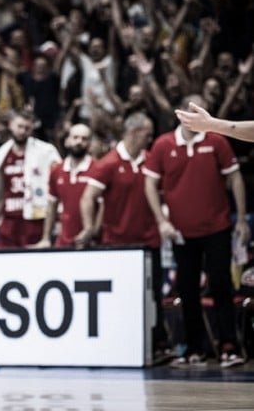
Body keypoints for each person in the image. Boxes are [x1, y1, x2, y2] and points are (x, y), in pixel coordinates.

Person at [144, 95, 249, 368]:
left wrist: (241, 220)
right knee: (187, 289)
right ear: (180, 113)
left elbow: (235, 178)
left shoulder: (216, 140)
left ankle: (229, 346)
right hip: (181, 231)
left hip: (217, 227)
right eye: (191, 109)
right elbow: (149, 186)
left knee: (221, 284)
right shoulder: (163, 144)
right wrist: (162, 221)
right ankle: (194, 348)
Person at [78, 111, 173, 363]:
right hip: (116, 244)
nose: (150, 138)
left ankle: (157, 345)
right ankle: (117, 344)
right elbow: (88, 197)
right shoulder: (108, 163)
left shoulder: (151, 160)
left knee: (152, 297)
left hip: (148, 240)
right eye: (147, 134)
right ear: (132, 133)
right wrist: (89, 227)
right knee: (120, 297)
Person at [0, 108, 62, 250]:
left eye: (27, 128)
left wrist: (49, 233)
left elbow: (57, 191)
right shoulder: (1, 154)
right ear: (10, 125)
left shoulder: (46, 151)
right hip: (9, 223)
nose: (23, 131)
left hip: (35, 221)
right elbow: (0, 197)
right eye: (19, 126)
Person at [35, 123, 100, 248]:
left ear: (90, 144)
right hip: (64, 240)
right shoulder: (57, 170)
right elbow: (52, 205)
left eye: (84, 138)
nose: (79, 142)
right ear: (67, 141)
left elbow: (103, 206)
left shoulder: (98, 169)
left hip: (92, 242)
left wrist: (93, 233)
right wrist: (46, 238)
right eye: (75, 137)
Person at [175, 101, 254, 142]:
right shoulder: (164, 141)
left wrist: (210, 124)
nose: (196, 116)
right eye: (194, 111)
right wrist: (210, 124)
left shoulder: (217, 140)